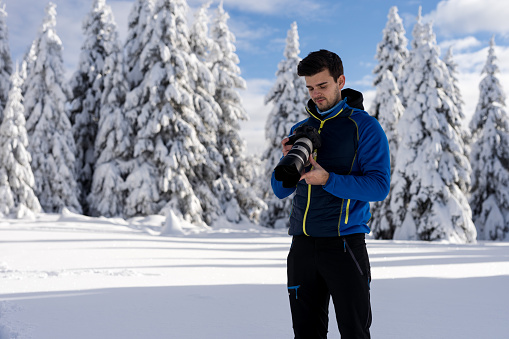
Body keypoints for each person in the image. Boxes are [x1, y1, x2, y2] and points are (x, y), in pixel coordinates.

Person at [271, 49, 390, 338]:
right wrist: (287, 163)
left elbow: (378, 185)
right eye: (310, 87)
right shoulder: (301, 130)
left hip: (345, 246)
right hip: (302, 248)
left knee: (354, 332)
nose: (316, 94)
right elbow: (279, 190)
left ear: (340, 81)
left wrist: (328, 179)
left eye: (322, 86)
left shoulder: (364, 127)